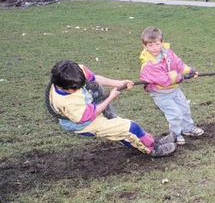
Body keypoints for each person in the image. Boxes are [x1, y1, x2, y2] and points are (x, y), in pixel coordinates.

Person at [48, 60, 177, 157]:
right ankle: (152, 149)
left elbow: (94, 79)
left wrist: (118, 83)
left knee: (119, 126)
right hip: (83, 123)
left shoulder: (75, 71)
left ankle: (150, 141)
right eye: (75, 88)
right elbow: (91, 114)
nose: (78, 89)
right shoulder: (66, 103)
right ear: (62, 86)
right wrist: (110, 97)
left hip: (88, 109)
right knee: (130, 127)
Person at [139, 26, 204, 146]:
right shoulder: (148, 64)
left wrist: (189, 71)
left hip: (175, 90)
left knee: (185, 109)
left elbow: (178, 64)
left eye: (157, 44)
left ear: (162, 42)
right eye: (150, 45)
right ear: (145, 46)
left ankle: (188, 128)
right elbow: (164, 79)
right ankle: (175, 134)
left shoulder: (168, 52)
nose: (154, 48)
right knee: (175, 114)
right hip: (161, 94)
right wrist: (181, 77)